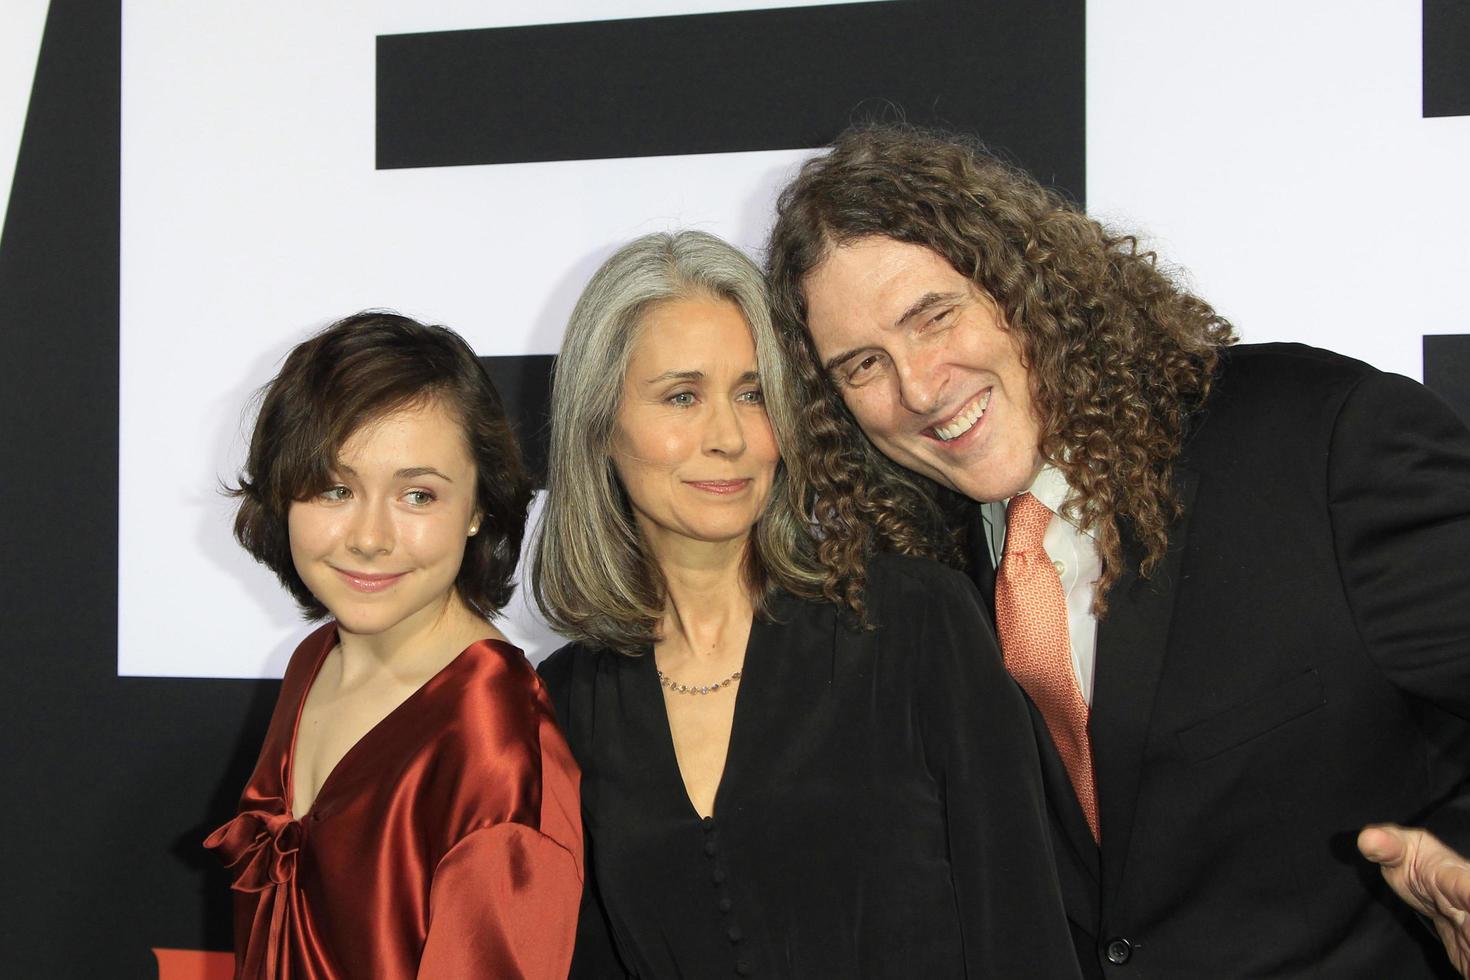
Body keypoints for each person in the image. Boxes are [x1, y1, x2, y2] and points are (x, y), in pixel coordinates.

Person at [764, 124, 1470, 979]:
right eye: (863, 365)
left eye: (934, 315)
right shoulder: (914, 577)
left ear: (1023, 281)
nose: (917, 387)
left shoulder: (1320, 441)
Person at [533, 231, 1081, 979]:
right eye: (682, 397)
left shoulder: (912, 620)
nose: (726, 437)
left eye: (753, 394)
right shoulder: (562, 706)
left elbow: (1024, 928)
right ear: (600, 426)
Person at [205, 312, 582, 979]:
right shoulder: (315, 660)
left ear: (476, 507)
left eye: (416, 495)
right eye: (336, 488)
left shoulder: (494, 742)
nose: (370, 537)